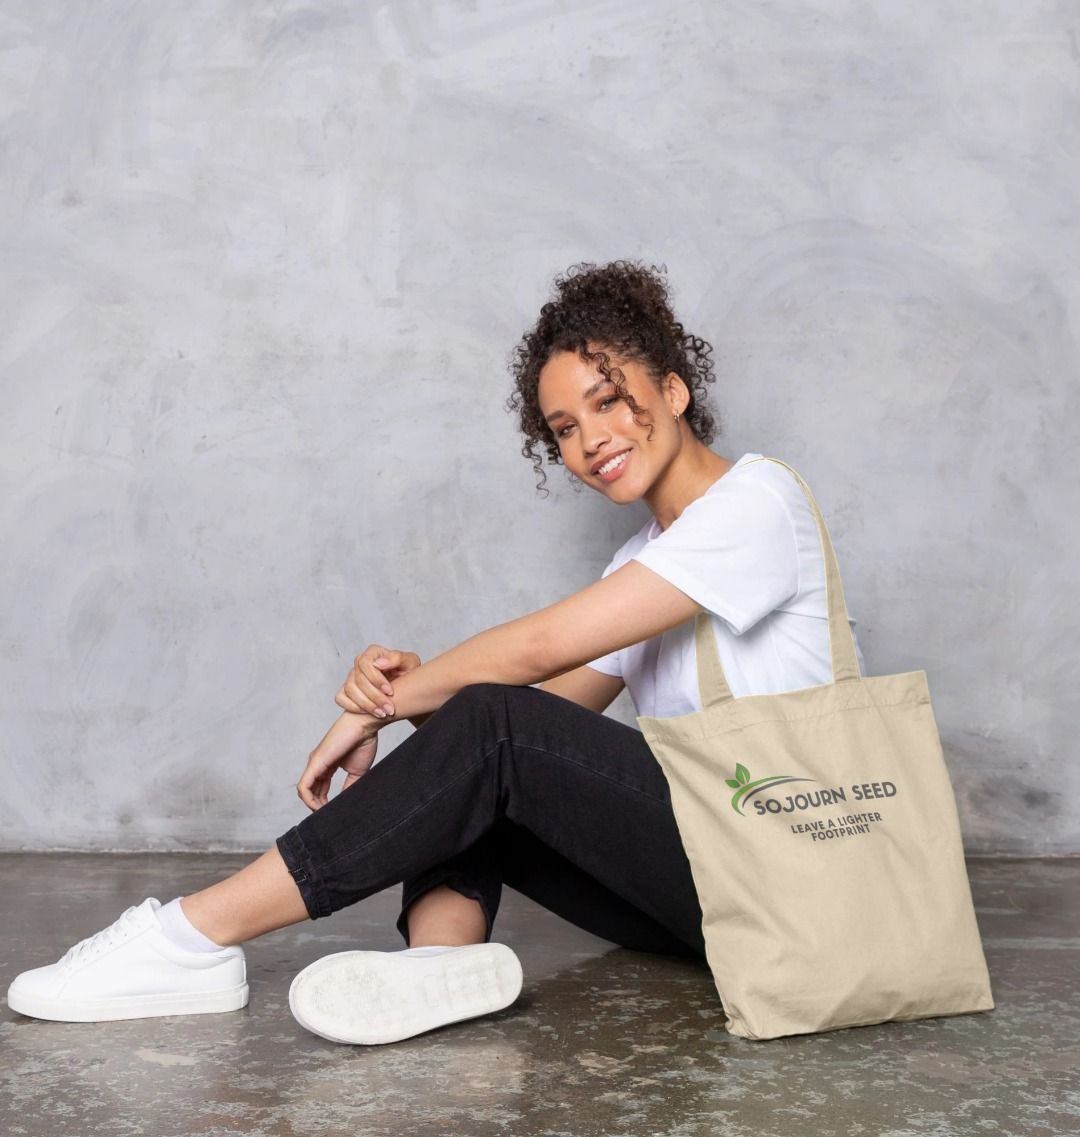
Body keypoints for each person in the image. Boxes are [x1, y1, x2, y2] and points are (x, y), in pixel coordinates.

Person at [6, 260, 865, 1045]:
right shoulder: (642, 561)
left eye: (609, 401)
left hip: (791, 873)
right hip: (719, 899)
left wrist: (375, 704)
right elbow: (537, 722)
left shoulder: (758, 502)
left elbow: (538, 651)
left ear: (673, 390)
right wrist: (424, 703)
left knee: (485, 718)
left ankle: (192, 935)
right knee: (477, 737)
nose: (589, 439)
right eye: (564, 427)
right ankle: (438, 962)